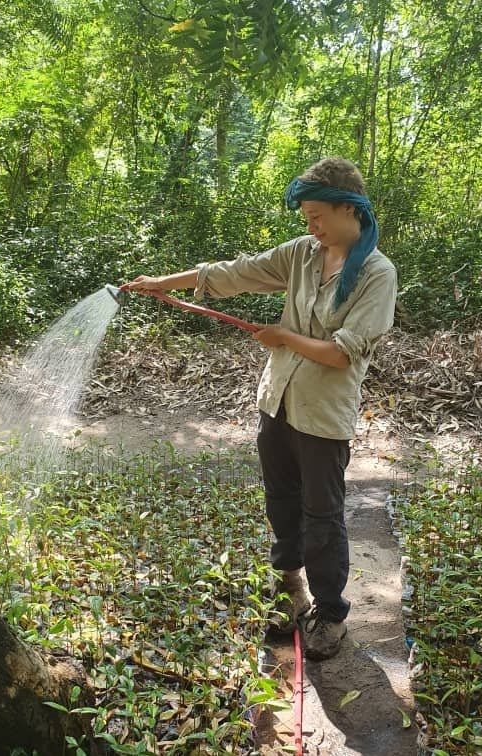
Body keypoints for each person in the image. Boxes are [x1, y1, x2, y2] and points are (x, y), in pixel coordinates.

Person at [123, 157, 397, 660]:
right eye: (306, 219)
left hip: (323, 414)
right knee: (281, 499)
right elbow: (234, 274)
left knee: (323, 513)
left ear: (347, 208)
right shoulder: (301, 255)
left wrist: (284, 337)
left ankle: (330, 611)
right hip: (279, 402)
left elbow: (342, 352)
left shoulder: (377, 274)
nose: (310, 227)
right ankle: (289, 587)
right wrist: (162, 282)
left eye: (316, 216)